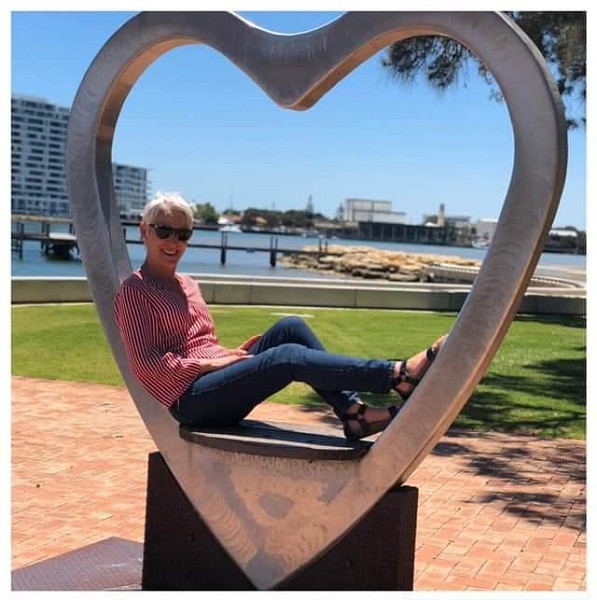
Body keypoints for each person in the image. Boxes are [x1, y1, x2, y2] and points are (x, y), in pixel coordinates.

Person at [114, 192, 446, 441]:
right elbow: (148, 368)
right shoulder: (134, 291)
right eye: (164, 231)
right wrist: (209, 364)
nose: (173, 242)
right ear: (144, 231)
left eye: (183, 234)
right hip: (191, 401)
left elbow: (197, 343)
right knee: (287, 357)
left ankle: (353, 413)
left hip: (214, 382)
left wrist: (226, 356)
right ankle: (397, 374)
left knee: (290, 327)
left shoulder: (188, 284)